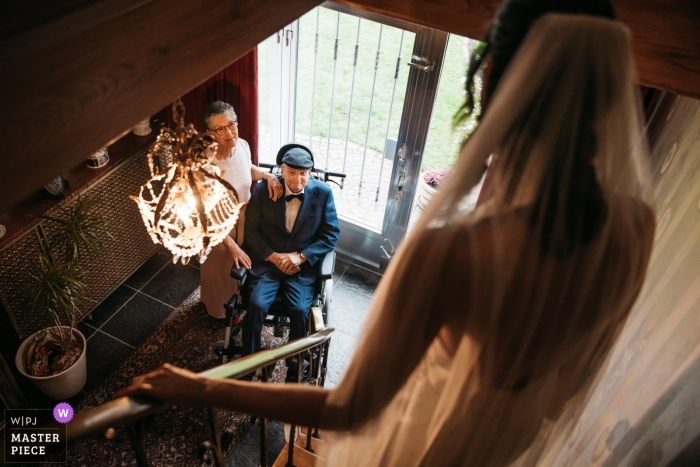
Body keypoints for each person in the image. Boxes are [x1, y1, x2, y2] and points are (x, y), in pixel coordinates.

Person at [117, 1, 656, 465]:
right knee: (255, 302)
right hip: (514, 447)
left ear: (490, 80)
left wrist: (197, 386)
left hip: (430, 444)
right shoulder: (638, 229)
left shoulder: (455, 254)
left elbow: (352, 408)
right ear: (609, 98)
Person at [241, 144, 339, 381]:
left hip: (301, 269)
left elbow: (330, 234)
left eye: (303, 173)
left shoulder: (323, 193)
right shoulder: (263, 191)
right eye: (292, 172)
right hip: (268, 264)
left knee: (299, 311)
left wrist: (301, 256)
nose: (298, 179)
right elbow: (251, 232)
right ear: (281, 171)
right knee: (255, 305)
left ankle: (295, 370)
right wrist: (273, 257)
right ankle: (247, 366)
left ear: (310, 172)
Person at [199, 101, 284, 320]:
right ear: (210, 133)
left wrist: (268, 176)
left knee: (240, 269)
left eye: (231, 124)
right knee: (221, 274)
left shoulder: (242, 145)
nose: (229, 132)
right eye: (220, 129)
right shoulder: (206, 166)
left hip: (244, 218)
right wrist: (232, 245)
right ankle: (220, 313)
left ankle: (235, 304)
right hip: (218, 229)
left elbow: (247, 169)